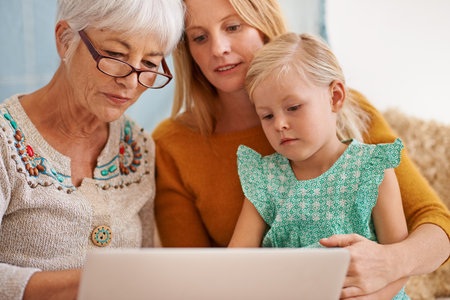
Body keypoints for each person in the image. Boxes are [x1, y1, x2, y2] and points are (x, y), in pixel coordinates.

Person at [152, 0, 449, 298]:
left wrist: (388, 263)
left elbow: (436, 226)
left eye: (233, 26)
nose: (218, 49)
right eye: (199, 37)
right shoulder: (177, 144)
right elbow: (195, 277)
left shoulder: (350, 115)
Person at [0, 0, 184, 299]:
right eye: (115, 54)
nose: (130, 82)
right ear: (65, 39)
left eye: (150, 64)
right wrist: (94, 284)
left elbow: (147, 262)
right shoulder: (4, 142)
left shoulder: (138, 147)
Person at [227, 32, 410, 299]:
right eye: (267, 115)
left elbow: (398, 265)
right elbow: (235, 263)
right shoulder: (264, 179)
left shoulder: (371, 168)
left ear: (335, 97)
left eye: (293, 107)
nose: (279, 124)